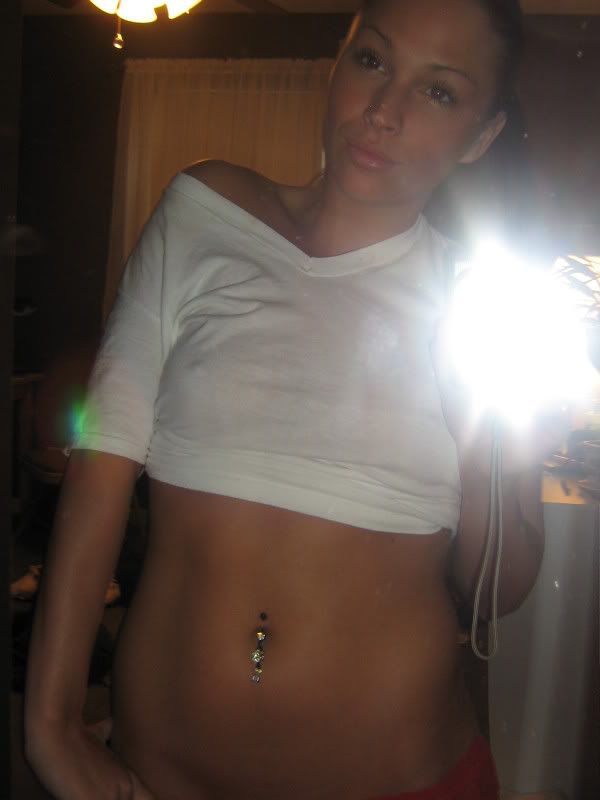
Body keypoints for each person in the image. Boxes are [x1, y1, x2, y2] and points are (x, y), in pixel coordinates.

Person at [24, 1, 560, 798]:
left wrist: (476, 427)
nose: (383, 111)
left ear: (481, 135)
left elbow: (500, 588)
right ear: (338, 60)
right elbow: (101, 464)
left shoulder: (482, 305)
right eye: (373, 60)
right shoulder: (203, 212)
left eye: (438, 91)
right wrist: (51, 724)